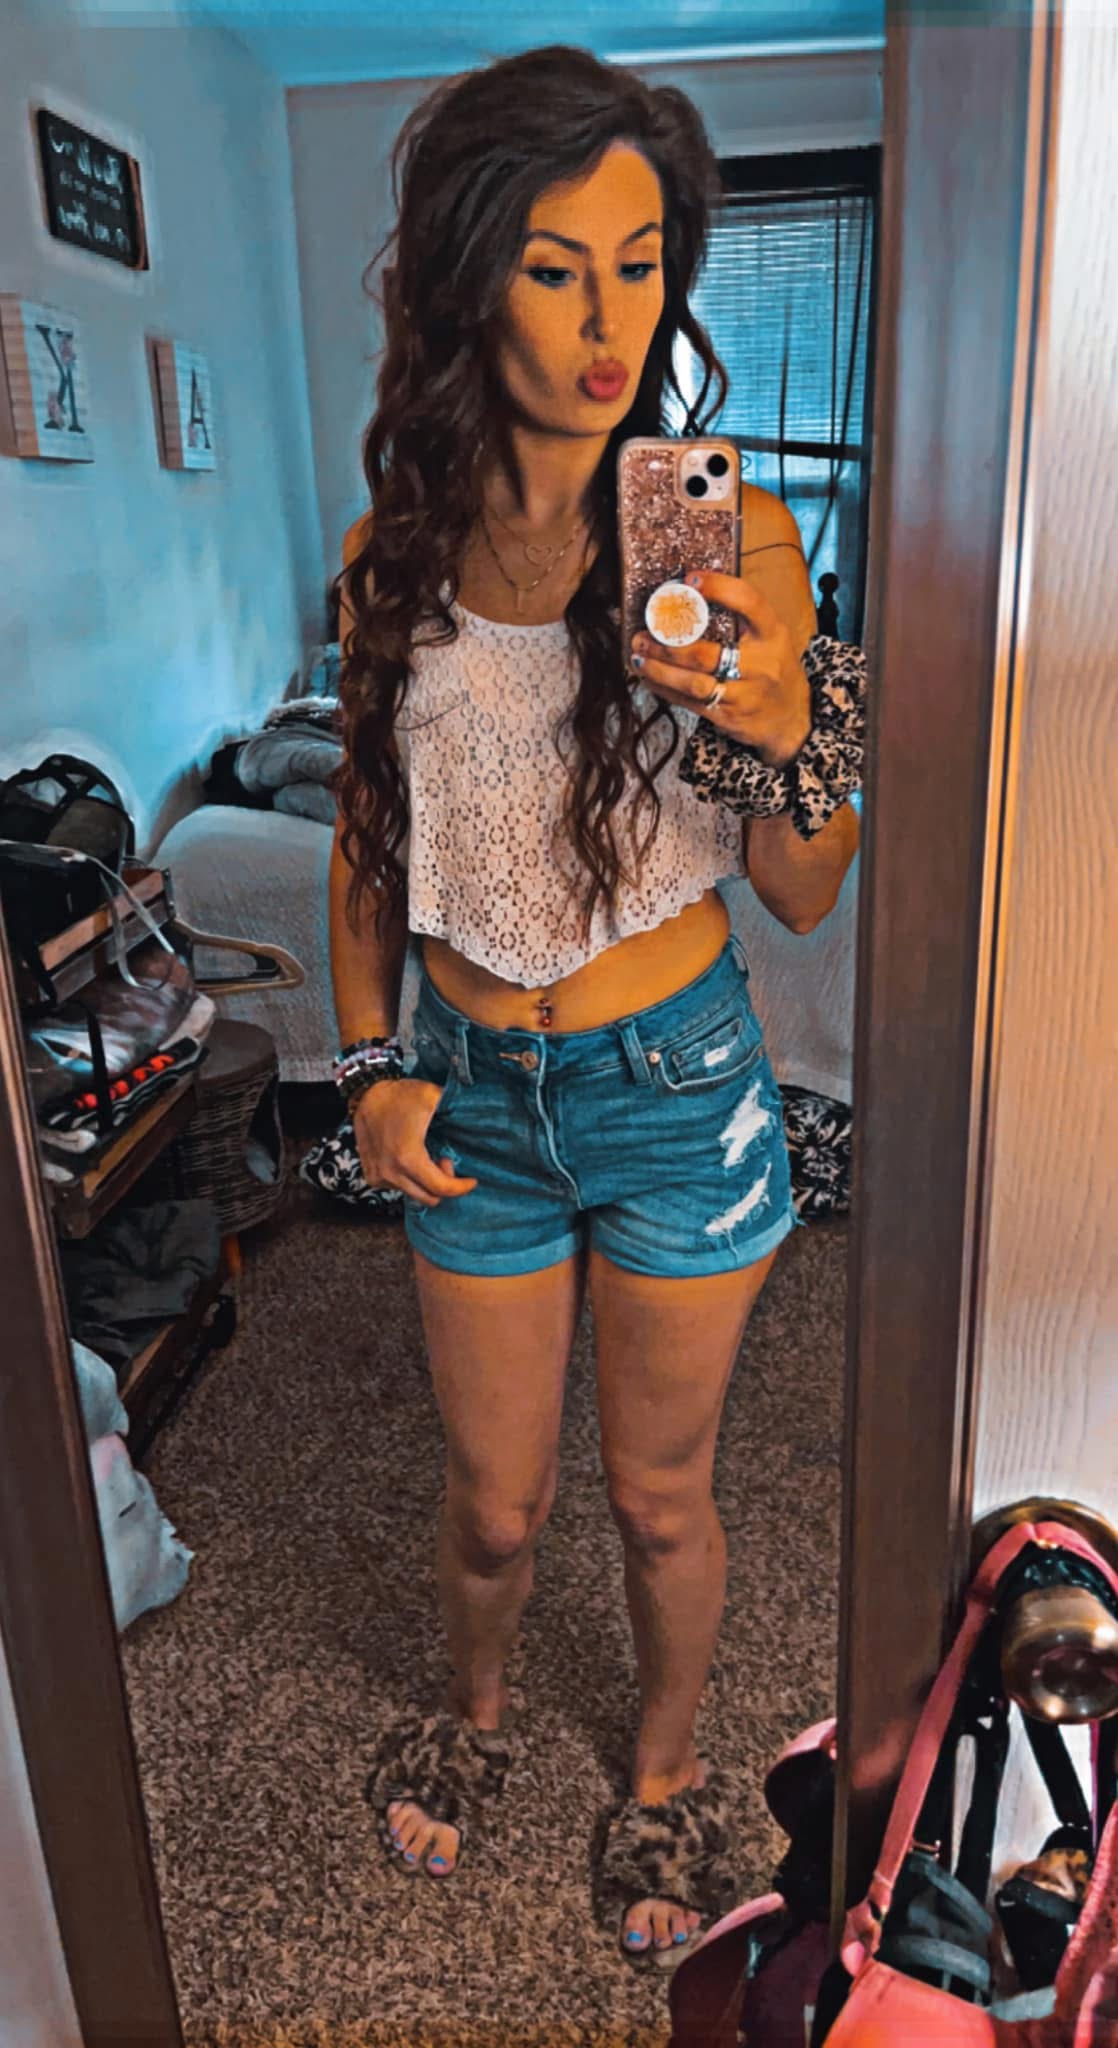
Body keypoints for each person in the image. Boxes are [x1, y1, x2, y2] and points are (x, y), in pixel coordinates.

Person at [329, 44, 862, 1966]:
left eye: (639, 267)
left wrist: (786, 722)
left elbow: (802, 885)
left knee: (656, 1498)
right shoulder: (392, 554)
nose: (605, 322)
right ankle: (473, 1714)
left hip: (675, 1085)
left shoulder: (728, 536)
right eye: (557, 269)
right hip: (469, 1086)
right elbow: (372, 848)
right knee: (493, 1507)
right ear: (473, 277)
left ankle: (662, 1770)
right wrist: (371, 1064)